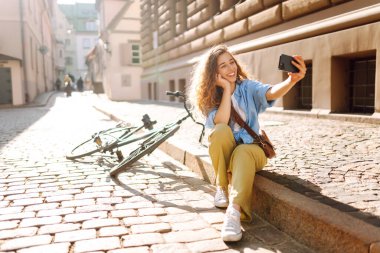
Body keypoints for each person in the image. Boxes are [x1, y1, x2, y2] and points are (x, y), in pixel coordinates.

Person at [189, 44, 306, 242]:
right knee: (219, 132)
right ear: (214, 73)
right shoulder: (209, 97)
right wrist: (226, 89)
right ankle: (222, 187)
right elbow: (221, 122)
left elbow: (270, 92)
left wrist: (290, 80)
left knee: (243, 151)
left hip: (252, 151)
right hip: (228, 151)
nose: (230, 69)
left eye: (231, 62)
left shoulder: (248, 87)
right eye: (223, 66)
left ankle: (234, 215)